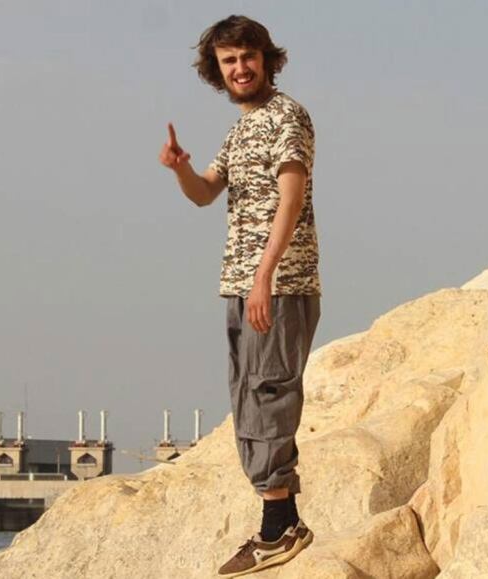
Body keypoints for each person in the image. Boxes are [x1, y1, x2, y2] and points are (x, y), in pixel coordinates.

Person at [158, 15, 321, 577]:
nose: (240, 68)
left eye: (248, 56)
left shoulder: (287, 117)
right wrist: (181, 170)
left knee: (269, 393)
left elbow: (292, 197)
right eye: (229, 61)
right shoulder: (240, 128)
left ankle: (281, 528)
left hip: (278, 284)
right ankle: (280, 521)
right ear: (217, 71)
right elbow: (205, 194)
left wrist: (264, 275)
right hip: (238, 282)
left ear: (266, 59)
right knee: (249, 401)